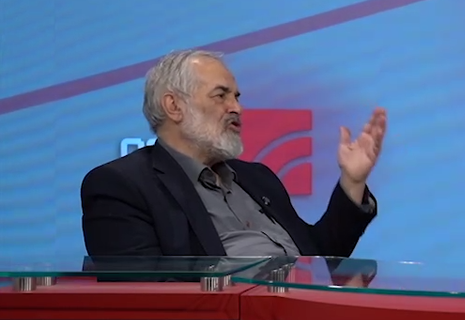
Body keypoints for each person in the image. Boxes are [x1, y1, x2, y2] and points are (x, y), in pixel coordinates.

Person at [81, 49, 388, 258]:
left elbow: (318, 257)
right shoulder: (121, 185)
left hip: (302, 316)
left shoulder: (257, 178)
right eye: (221, 96)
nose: (237, 108)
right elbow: (145, 293)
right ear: (174, 106)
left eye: (237, 97)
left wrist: (352, 182)